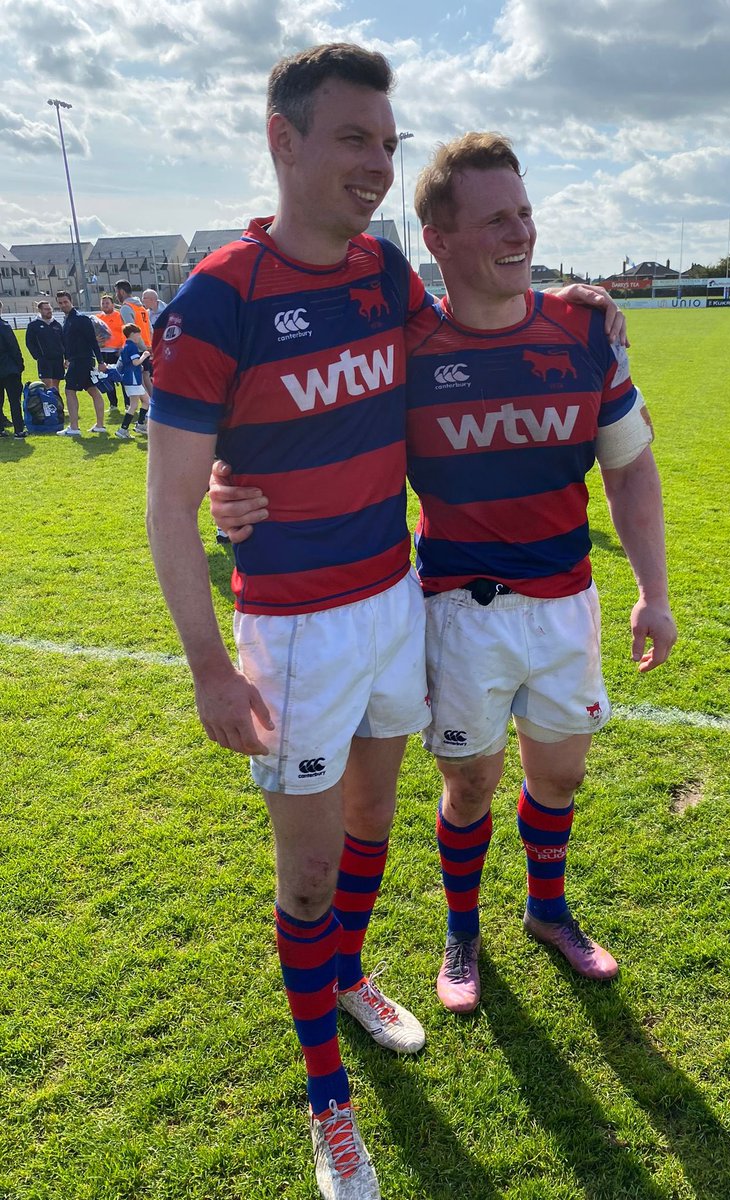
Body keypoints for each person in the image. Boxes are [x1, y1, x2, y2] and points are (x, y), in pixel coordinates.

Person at [211, 133, 676, 1018]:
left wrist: (653, 593)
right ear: (440, 239)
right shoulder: (405, 344)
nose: (522, 234)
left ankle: (548, 910)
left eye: (526, 214)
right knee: (469, 785)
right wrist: (229, 481)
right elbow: (303, 414)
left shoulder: (581, 329)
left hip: (568, 602)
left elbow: (630, 470)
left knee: (562, 777)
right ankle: (462, 931)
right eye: (497, 219)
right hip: (458, 608)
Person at [146, 44, 432, 1200]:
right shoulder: (219, 298)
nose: (379, 164)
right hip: (295, 631)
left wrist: (577, 307)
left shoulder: (388, 269)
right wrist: (212, 668)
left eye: (389, 143)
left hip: (395, 599)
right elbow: (168, 502)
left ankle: (351, 977)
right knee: (306, 874)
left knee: (373, 819)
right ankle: (330, 1107)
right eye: (356, 138)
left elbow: (464, 350)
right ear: (284, 138)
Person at [54, 291, 109, 436]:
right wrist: (67, 358)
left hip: (82, 360)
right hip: (77, 360)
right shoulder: (67, 320)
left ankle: (74, 427)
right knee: (92, 390)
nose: (63, 305)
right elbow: (67, 342)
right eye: (60, 303)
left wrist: (101, 361)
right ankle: (100, 425)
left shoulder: (80, 319)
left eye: (65, 302)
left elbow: (93, 341)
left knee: (69, 390)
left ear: (71, 301)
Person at [115, 280, 153, 395]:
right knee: (146, 376)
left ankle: (146, 406)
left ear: (121, 292)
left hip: (135, 348)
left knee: (138, 380)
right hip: (146, 346)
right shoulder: (141, 308)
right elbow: (150, 330)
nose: (116, 296)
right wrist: (149, 347)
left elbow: (131, 331)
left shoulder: (126, 308)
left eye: (116, 292)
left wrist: (142, 347)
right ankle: (153, 404)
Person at [114, 323, 150, 439]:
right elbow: (135, 362)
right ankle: (123, 429)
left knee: (145, 401)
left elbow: (130, 363)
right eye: (138, 335)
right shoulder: (132, 346)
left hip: (130, 378)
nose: (139, 337)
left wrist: (139, 367)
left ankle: (139, 424)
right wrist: (144, 356)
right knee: (134, 405)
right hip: (133, 379)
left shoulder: (126, 346)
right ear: (132, 334)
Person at [25, 300, 65, 394]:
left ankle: (57, 405)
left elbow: (64, 342)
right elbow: (29, 343)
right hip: (44, 360)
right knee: (47, 384)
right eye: (46, 309)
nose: (49, 311)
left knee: (56, 385)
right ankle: (48, 404)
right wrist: (38, 356)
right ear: (40, 310)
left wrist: (64, 356)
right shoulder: (34, 325)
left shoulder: (57, 324)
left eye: (50, 309)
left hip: (58, 359)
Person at [96, 294, 128, 412]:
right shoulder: (98, 318)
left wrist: (123, 347)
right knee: (107, 378)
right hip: (103, 352)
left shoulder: (120, 316)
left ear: (113, 304)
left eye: (107, 303)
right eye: (103, 303)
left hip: (117, 351)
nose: (105, 305)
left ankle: (128, 404)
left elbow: (126, 332)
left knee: (122, 378)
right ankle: (113, 404)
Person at [0, 300, 27, 439]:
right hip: (8, 368)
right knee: (14, 400)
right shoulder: (4, 326)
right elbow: (13, 347)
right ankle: (18, 429)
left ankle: (1, 430)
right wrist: (20, 364)